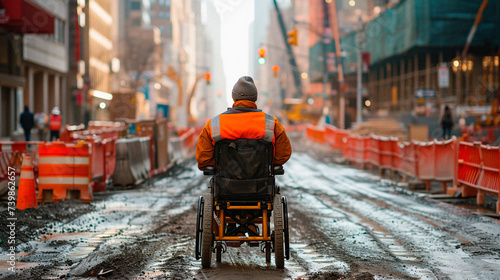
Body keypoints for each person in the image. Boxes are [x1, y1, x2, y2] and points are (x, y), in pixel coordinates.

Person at [196, 76, 292, 171]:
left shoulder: (214, 124)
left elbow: (203, 158)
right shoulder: (271, 123)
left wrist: (220, 165)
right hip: (262, 183)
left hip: (225, 182)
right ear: (255, 98)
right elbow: (283, 154)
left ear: (234, 97)